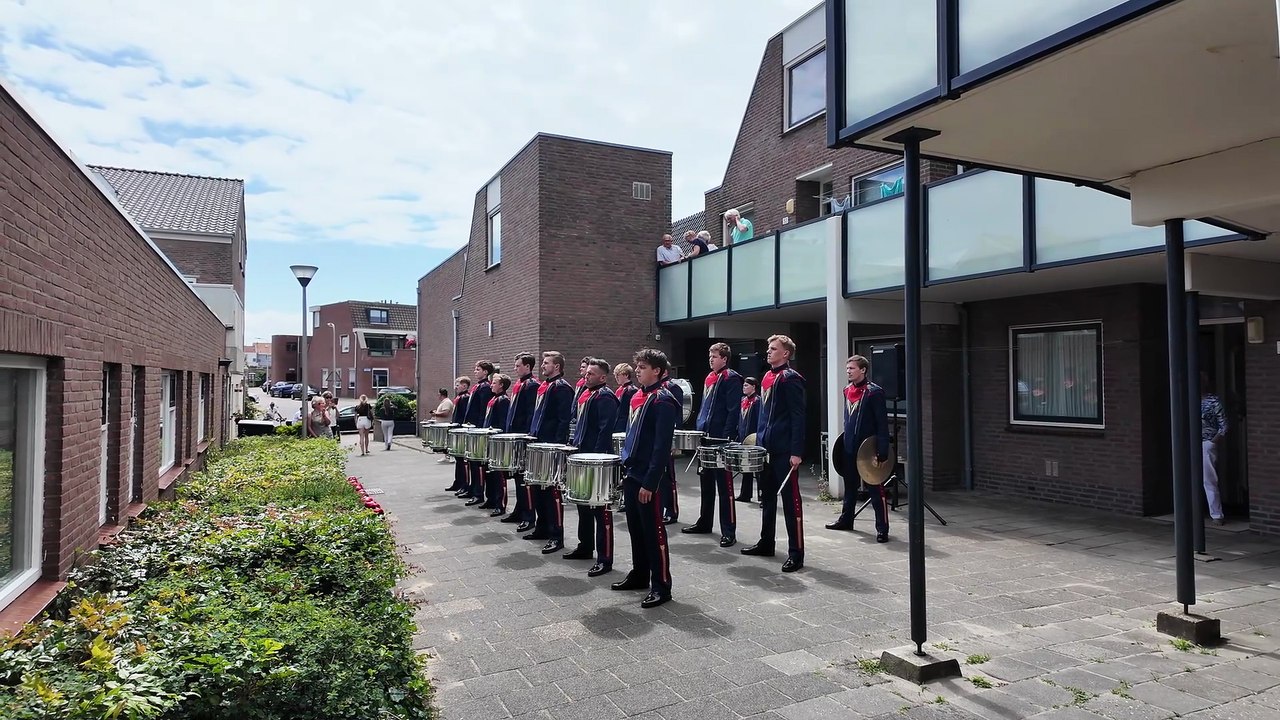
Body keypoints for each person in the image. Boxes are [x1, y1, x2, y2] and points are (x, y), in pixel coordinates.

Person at [611, 348, 681, 609]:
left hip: (647, 477)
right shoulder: (639, 396)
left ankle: (661, 585)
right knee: (636, 530)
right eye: (637, 366)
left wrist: (650, 482)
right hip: (632, 472)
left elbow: (661, 446)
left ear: (659, 371)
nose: (638, 370)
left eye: (643, 366)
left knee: (653, 532)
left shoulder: (663, 400)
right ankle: (639, 574)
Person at [743, 334, 806, 573]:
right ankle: (766, 542)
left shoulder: (791, 379)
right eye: (768, 348)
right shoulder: (767, 376)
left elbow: (798, 416)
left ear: (786, 353)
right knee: (766, 499)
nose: (768, 352)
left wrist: (796, 451)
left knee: (791, 503)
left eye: (773, 349)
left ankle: (796, 553)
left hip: (784, 452)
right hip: (765, 449)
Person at [825, 356, 891, 542]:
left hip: (868, 448)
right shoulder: (846, 390)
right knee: (850, 485)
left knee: (875, 487)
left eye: (852, 368)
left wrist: (882, 451)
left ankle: (882, 528)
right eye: (847, 368)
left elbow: (882, 424)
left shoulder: (874, 393)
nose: (848, 371)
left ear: (863, 370)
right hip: (849, 445)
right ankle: (846, 520)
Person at [565, 358, 621, 577]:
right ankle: (585, 546)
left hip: (596, 460)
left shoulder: (606, 397)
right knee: (582, 505)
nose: (586, 376)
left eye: (591, 373)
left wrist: (596, 458)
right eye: (586, 372)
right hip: (581, 455)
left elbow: (605, 430)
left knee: (600, 511)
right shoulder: (585, 394)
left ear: (602, 377)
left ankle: (605, 558)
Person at [684, 343, 742, 547]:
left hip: (720, 438)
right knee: (705, 481)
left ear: (724, 359)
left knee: (724, 487)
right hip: (706, 436)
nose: (711, 359)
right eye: (710, 355)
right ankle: (704, 522)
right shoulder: (709, 377)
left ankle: (729, 530)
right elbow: (705, 407)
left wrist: (726, 436)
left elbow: (733, 409)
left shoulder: (731, 377)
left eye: (715, 356)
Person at [527, 351, 573, 553]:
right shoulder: (544, 386)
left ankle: (556, 535)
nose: (543, 365)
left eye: (546, 363)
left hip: (551, 447)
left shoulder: (562, 388)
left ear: (557, 366)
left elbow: (564, 420)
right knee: (538, 489)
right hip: (538, 443)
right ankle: (542, 527)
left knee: (552, 492)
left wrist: (557, 446)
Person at [504, 352, 541, 527]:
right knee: (518, 478)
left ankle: (528, 516)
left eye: (518, 365)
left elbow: (530, 413)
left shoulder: (532, 385)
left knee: (525, 480)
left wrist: (526, 437)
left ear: (527, 366)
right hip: (515, 436)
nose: (515, 368)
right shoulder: (520, 384)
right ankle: (519, 510)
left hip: (523, 437)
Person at [462, 361, 495, 505]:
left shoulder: (486, 388)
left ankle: (479, 493)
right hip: (473, 429)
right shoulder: (479, 386)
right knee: (472, 463)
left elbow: (483, 411)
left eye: (478, 369)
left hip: (478, 430)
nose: (475, 371)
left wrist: (480, 430)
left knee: (478, 465)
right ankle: (473, 489)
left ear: (486, 372)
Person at [481, 374, 512, 517]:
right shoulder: (493, 399)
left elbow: (503, 422)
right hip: (489, 440)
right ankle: (491, 498)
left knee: (499, 476)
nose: (491, 385)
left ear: (501, 385)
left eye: (494, 383)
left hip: (497, 442)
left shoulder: (504, 400)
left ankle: (500, 504)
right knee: (489, 473)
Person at [1201, 372, 1228, 526]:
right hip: (1188, 443)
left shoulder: (1213, 401)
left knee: (1209, 479)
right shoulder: (1187, 398)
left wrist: (1213, 442)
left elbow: (1224, 424)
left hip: (1206, 442)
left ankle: (1216, 514)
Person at [735, 377, 761, 502]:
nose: (744, 387)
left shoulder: (757, 401)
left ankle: (762, 495)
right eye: (744, 385)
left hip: (753, 438)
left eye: (747, 385)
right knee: (746, 466)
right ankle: (745, 494)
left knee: (758, 469)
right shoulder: (743, 400)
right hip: (743, 437)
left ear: (754, 387)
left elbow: (759, 420)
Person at [444, 377, 472, 489]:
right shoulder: (459, 397)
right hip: (456, 429)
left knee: (462, 460)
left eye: (458, 385)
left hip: (460, 430)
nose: (455, 387)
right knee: (457, 458)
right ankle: (458, 482)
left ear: (465, 386)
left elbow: (464, 415)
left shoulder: (465, 397)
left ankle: (463, 483)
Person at [613, 363, 639, 432]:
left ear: (626, 375)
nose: (616, 377)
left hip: (624, 425)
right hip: (616, 423)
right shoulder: (620, 389)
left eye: (618, 375)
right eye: (615, 375)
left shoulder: (632, 390)